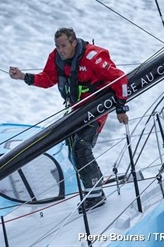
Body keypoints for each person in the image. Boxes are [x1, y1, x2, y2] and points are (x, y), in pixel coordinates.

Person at [9, 27, 129, 212]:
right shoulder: (56, 57)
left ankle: (95, 195)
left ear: (73, 43)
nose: (60, 50)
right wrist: (24, 77)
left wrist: (120, 108)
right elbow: (48, 78)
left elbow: (120, 78)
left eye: (63, 45)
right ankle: (92, 186)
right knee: (73, 149)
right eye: (57, 46)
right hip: (75, 110)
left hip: (95, 108)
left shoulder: (93, 57)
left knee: (81, 148)